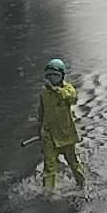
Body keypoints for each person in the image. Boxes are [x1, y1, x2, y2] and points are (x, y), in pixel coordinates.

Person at [36, 58, 88, 190]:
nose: (52, 78)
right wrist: (40, 129)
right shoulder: (44, 92)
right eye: (49, 75)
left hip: (66, 134)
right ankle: (48, 193)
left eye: (56, 75)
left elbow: (73, 98)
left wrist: (57, 90)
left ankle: (82, 185)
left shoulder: (67, 89)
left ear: (62, 76)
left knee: (73, 163)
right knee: (49, 167)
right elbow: (41, 112)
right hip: (49, 135)